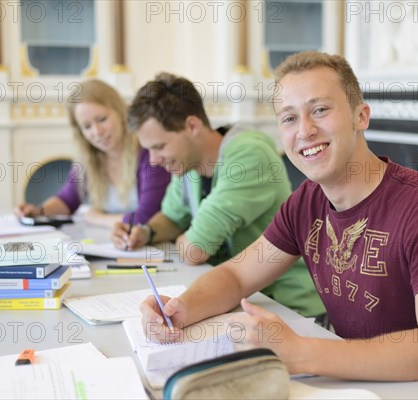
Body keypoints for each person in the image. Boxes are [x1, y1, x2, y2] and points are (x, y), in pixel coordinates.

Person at [139, 52, 418, 399]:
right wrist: (181, 309)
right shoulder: (307, 201)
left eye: (320, 110)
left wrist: (300, 352)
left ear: (361, 116)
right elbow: (236, 276)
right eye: (289, 118)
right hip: (359, 387)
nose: (304, 130)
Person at [111, 72, 325, 318]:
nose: (154, 160)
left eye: (159, 146)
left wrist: (185, 239)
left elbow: (195, 250)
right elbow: (170, 218)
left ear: (192, 126)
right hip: (234, 298)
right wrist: (145, 232)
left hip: (286, 308)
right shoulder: (187, 165)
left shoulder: (249, 155)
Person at [14, 80, 170, 228]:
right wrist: (38, 211)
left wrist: (98, 218)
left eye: (102, 119)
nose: (97, 132)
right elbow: (68, 200)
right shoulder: (89, 158)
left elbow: (146, 219)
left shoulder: (148, 152)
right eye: (87, 126)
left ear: (120, 112)